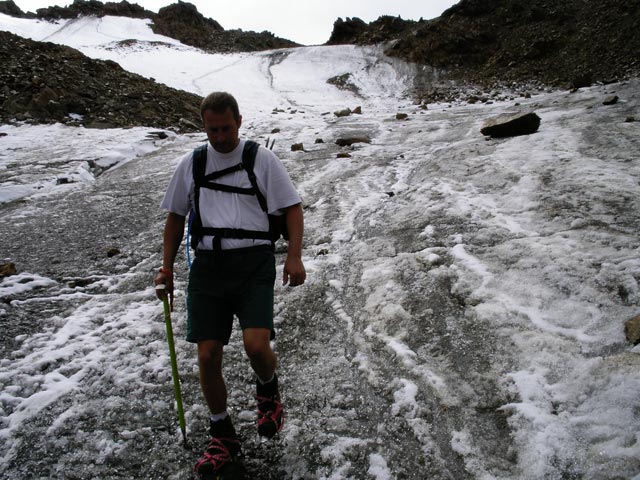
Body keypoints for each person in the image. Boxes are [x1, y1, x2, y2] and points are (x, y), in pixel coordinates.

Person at [154, 91, 306, 476]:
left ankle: (268, 388)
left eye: (225, 128)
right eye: (211, 129)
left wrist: (293, 255)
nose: (219, 137)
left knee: (256, 346)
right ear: (203, 126)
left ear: (239, 121)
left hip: (253, 262)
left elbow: (292, 208)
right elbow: (175, 217)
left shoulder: (261, 159)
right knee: (207, 355)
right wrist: (166, 268)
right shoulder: (192, 163)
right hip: (208, 265)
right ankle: (222, 434)